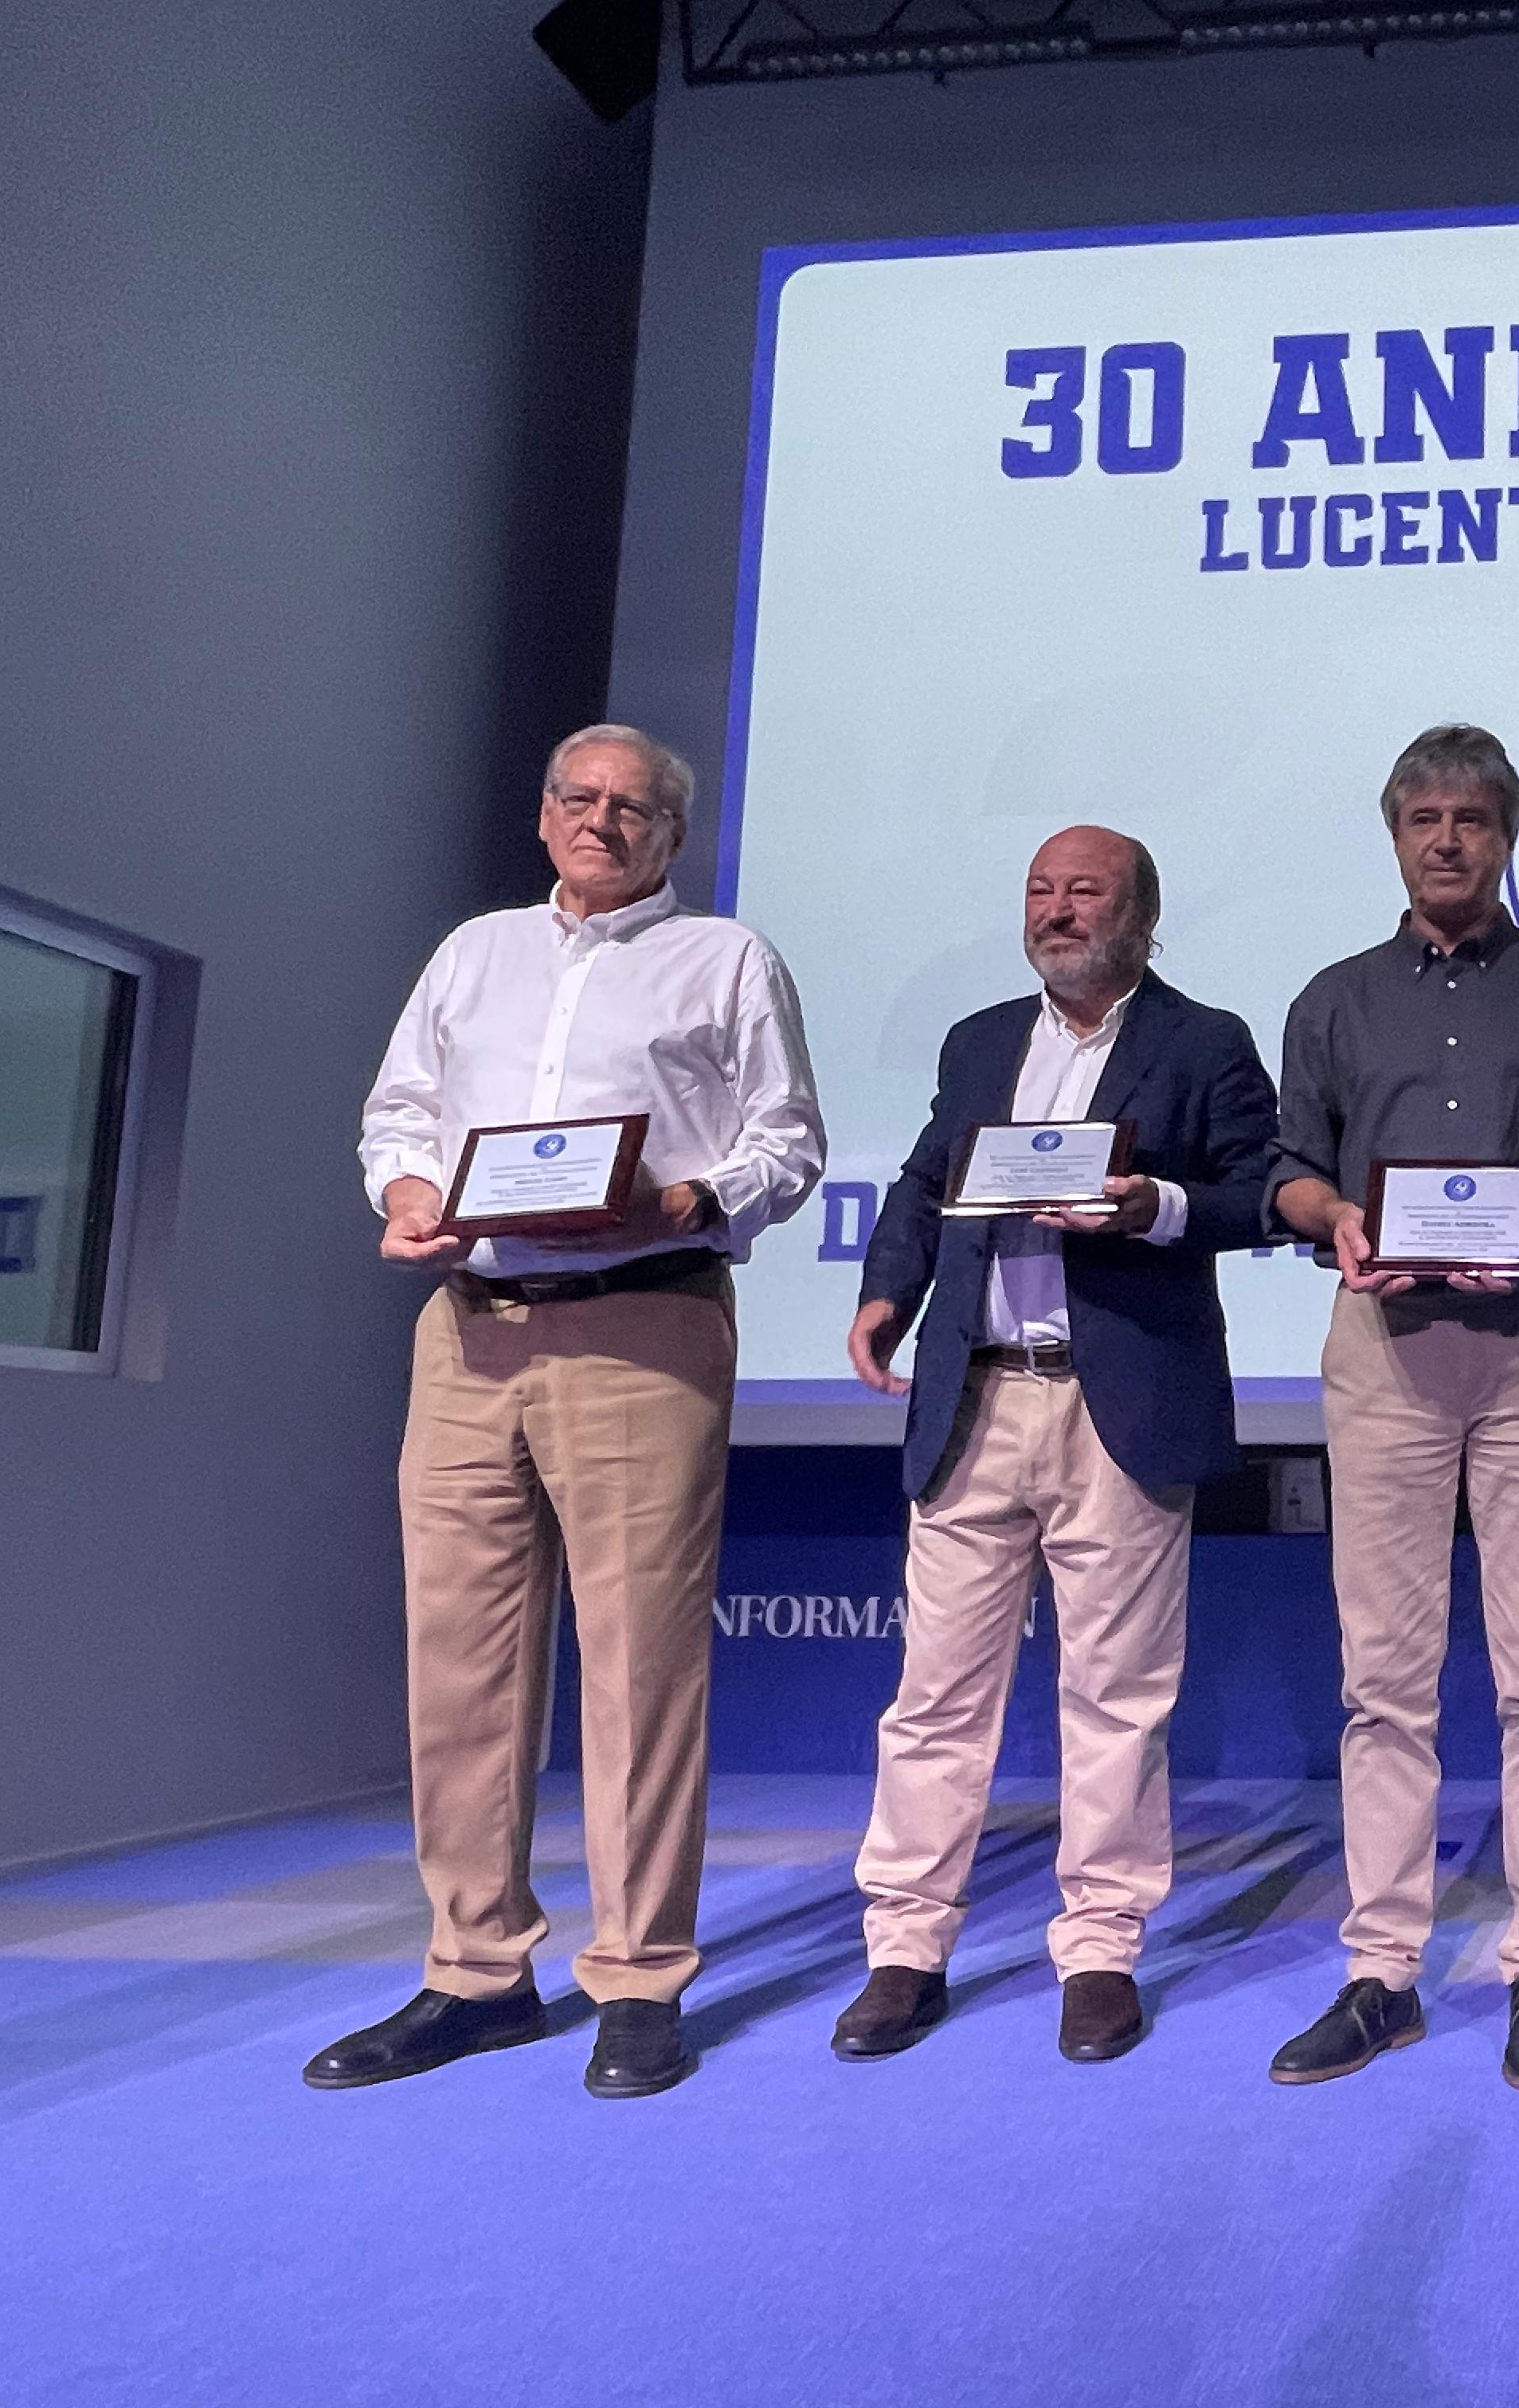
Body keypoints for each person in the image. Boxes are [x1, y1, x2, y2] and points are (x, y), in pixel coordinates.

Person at [315, 724, 822, 2100]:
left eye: (632, 806)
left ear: (673, 834)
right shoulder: (474, 952)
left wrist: (687, 1198)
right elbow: (400, 1112)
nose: (602, 821)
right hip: (469, 1329)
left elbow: (787, 1143)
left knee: (641, 1667)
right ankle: (476, 1973)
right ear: (545, 816)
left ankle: (640, 1976)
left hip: (644, 1322)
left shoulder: (725, 958)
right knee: (458, 1665)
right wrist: (406, 1193)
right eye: (579, 799)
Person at [831, 826, 1276, 2065]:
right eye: (1041, 890)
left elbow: (1265, 1192)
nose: (1058, 910)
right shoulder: (979, 1041)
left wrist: (1155, 1207)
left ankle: (1099, 1950)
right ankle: (905, 1948)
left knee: (1117, 1697)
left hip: (1115, 1404)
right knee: (935, 1696)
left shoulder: (1205, 1043)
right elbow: (925, 1183)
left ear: (1142, 916)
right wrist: (885, 1294)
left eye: (1085, 891)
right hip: (973, 1397)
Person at [1264, 725, 1519, 2091]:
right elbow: (1290, 1166)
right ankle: (1383, 1972)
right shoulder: (1334, 999)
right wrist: (1334, 1217)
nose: (1447, 840)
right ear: (1395, 837)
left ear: (1505, 837)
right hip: (1383, 1345)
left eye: (1472, 819)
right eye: (1424, 818)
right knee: (1384, 1677)